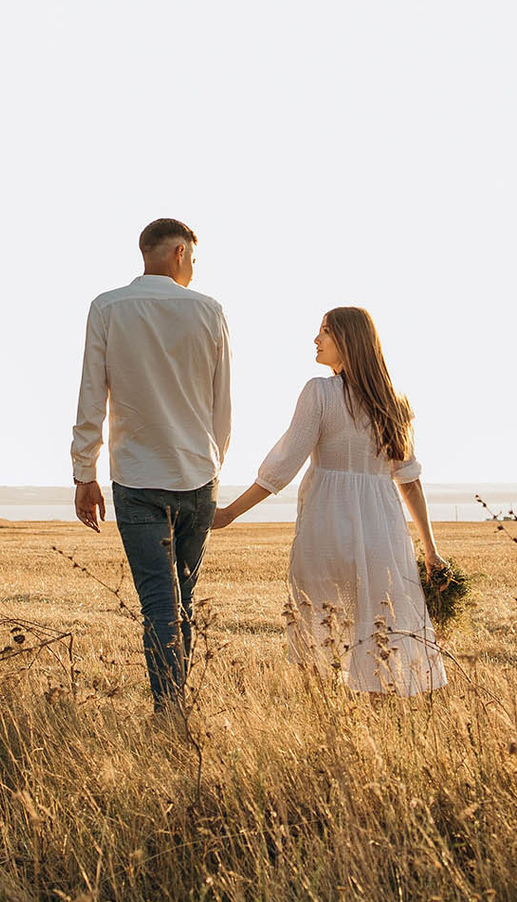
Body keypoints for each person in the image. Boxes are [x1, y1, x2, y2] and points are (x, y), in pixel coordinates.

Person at [213, 306, 448, 695]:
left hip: (326, 527)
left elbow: (282, 466)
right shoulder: (396, 402)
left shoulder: (319, 392)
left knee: (318, 624)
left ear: (349, 341)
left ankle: (325, 714)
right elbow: (409, 481)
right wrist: (430, 549)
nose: (316, 339)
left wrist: (230, 513)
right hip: (382, 532)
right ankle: (376, 715)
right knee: (381, 625)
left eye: (325, 331)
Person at [71, 218, 232, 711]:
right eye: (194, 259)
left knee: (159, 600)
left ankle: (171, 707)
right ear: (181, 252)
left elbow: (92, 396)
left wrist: (84, 474)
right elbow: (220, 402)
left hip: (136, 476)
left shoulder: (107, 307)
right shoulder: (209, 311)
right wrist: (214, 463)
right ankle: (174, 704)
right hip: (196, 474)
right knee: (181, 594)